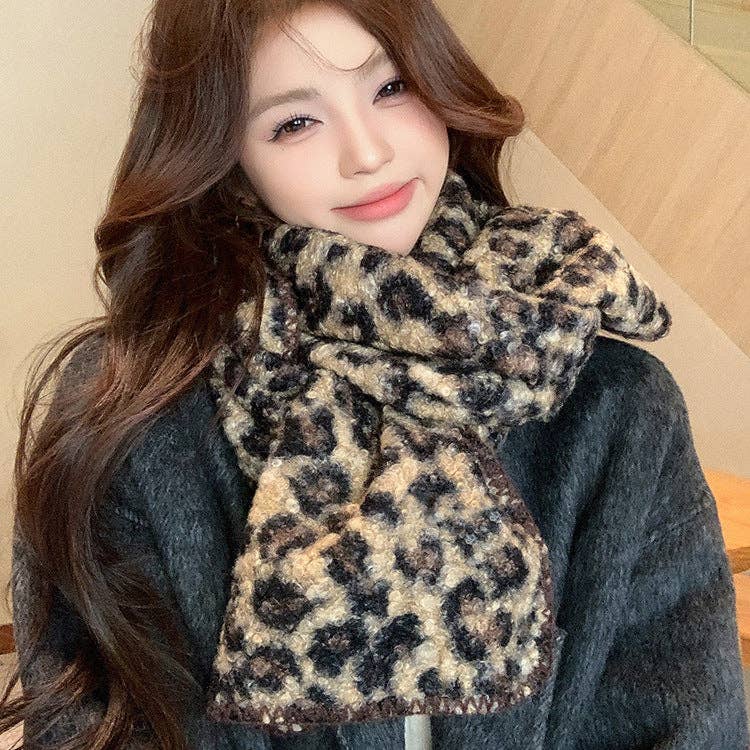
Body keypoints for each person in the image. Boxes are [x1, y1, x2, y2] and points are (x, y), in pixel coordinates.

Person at [2, 1, 748, 749]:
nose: (367, 152)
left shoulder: (616, 405)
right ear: (227, 158)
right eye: (295, 123)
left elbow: (688, 726)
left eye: (392, 88)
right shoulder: (132, 416)